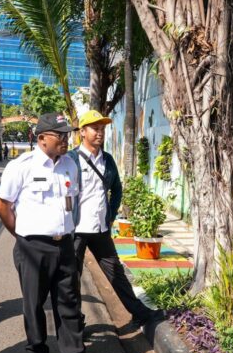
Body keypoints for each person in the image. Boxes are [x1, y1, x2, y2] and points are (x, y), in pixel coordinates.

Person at [0, 112, 104, 353]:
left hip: (64, 244)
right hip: (33, 247)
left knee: (68, 300)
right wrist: (21, 234)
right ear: (42, 138)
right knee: (33, 303)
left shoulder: (70, 165)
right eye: (60, 135)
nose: (66, 139)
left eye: (68, 134)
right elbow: (3, 206)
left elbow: (72, 202)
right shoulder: (21, 166)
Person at [68, 110, 163, 329]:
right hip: (76, 231)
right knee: (72, 279)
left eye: (102, 128)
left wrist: (110, 215)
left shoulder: (107, 159)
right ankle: (75, 326)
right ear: (82, 132)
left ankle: (139, 313)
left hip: (101, 229)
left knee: (116, 273)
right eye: (95, 128)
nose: (100, 132)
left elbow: (117, 190)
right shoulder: (71, 159)